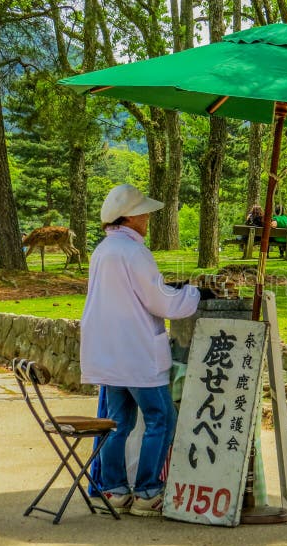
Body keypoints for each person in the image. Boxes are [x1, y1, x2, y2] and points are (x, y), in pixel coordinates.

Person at [80, 183, 201, 517]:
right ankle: (148, 491)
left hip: (110, 351)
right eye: (144, 212)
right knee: (161, 417)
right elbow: (158, 300)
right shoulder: (134, 253)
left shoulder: (103, 250)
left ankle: (115, 489)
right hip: (137, 352)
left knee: (117, 421)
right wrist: (193, 295)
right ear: (131, 217)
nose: (148, 217)